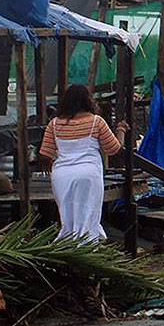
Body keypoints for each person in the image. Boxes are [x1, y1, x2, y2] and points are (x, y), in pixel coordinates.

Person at [37, 84, 127, 243]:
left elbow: (45, 155)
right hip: (88, 174)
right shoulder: (96, 122)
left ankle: (68, 246)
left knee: (67, 218)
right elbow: (114, 149)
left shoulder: (55, 124)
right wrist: (121, 130)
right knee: (88, 215)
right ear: (88, 101)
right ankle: (88, 247)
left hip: (62, 177)